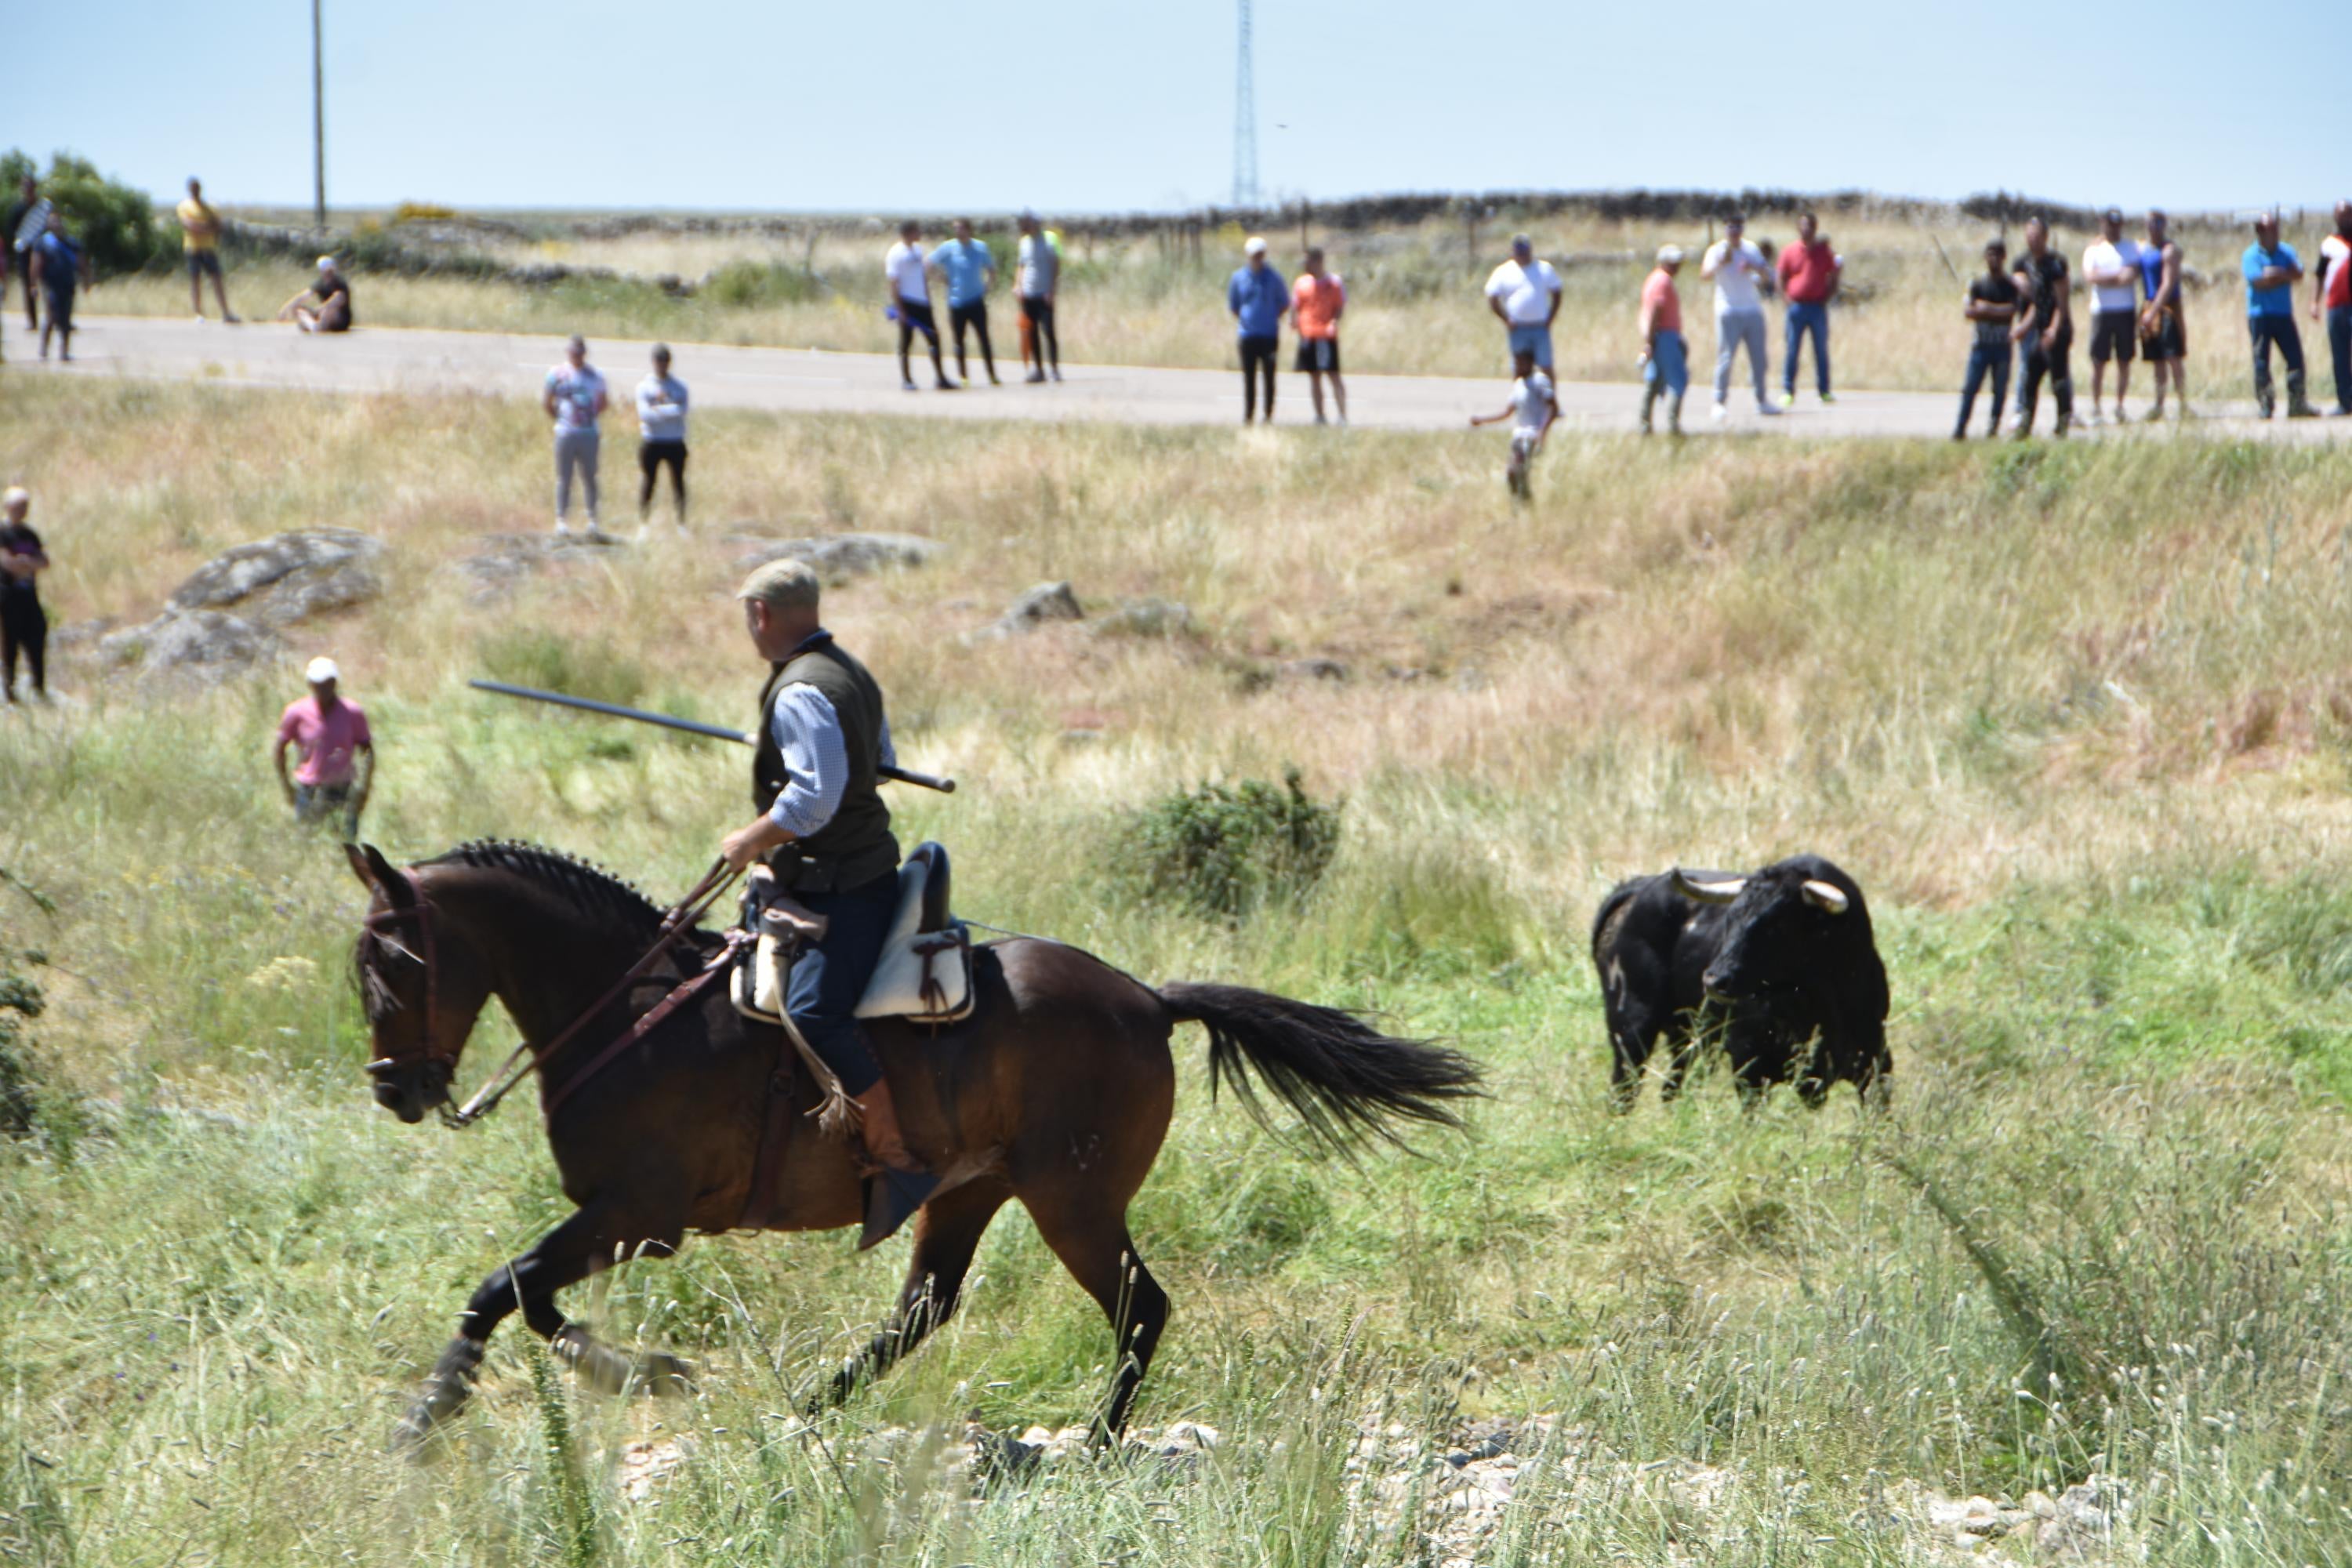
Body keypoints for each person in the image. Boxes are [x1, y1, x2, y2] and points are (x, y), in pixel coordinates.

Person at [718, 557, 933, 1248]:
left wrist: (750, 840)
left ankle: (895, 1156)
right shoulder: (845, 670)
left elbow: (813, 800)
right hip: (840, 870)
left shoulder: (798, 691)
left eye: (748, 617)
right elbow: (881, 753)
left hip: (844, 883)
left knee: (815, 1010)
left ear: (761, 614)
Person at [274, 655, 374, 838]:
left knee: (345, 844)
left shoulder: (352, 712)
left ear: (335, 683)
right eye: (318, 683)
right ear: (310, 684)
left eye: (328, 683)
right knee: (308, 842)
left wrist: (364, 789)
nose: (323, 688)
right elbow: (279, 748)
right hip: (309, 790)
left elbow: (367, 751)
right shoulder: (296, 712)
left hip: (342, 788)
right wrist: (287, 786)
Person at [1700, 214, 1780, 421]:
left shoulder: (1750, 249)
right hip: (1728, 309)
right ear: (1725, 230)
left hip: (1752, 309)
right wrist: (1720, 263)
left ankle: (1761, 400)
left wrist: (1754, 267)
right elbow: (1705, 275)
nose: (1734, 232)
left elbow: (1768, 276)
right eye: (1730, 228)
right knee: (1726, 358)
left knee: (1759, 358)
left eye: (1738, 227)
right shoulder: (1717, 250)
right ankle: (1719, 402)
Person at [2243, 212, 2318, 420]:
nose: (2275, 233)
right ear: (2260, 232)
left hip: (2284, 314)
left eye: (2276, 229)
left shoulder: (2287, 251)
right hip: (2260, 316)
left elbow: (2299, 274)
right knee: (2261, 361)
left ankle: (2297, 404)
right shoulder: (2250, 255)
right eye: (2270, 229)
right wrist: (2284, 276)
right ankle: (2266, 405)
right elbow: (2258, 281)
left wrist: (2276, 274)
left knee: (2295, 358)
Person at [2009, 217, 2074, 438]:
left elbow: (2061, 302)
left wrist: (2054, 330)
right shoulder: (2026, 263)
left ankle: (2063, 424)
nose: (2032, 241)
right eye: (2029, 237)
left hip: (2058, 328)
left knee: (2059, 379)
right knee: (2031, 377)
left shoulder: (2055, 264)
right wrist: (2023, 327)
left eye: (2036, 237)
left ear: (2045, 238)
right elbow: (2036, 304)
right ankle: (2025, 424)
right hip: (2040, 328)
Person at [2081, 209, 2143, 425]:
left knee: (2124, 360)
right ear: (2102, 223)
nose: (2113, 228)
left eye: (2117, 224)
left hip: (2125, 310)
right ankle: (2096, 407)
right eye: (2110, 224)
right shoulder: (2094, 249)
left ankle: (2119, 405)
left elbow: (2132, 275)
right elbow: (2091, 276)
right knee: (2098, 361)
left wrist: (2106, 278)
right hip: (2101, 311)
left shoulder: (2131, 247)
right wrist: (2117, 275)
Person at [543, 334, 608, 535]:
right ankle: (561, 519)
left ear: (584, 353)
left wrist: (589, 416)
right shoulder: (557, 374)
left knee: (589, 476)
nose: (576, 356)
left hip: (588, 433)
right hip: (565, 432)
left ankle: (592, 520)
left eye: (580, 352)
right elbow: (547, 401)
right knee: (564, 477)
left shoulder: (595, 375)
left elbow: (603, 402)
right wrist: (560, 418)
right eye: (573, 352)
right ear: (568, 352)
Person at [1954, 238, 2019, 440]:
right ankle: (1961, 427)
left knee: (1999, 390)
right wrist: (1987, 311)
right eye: (1990, 254)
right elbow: (1968, 311)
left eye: (1997, 254)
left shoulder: (2010, 286)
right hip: (1980, 346)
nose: (1994, 258)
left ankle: (1993, 427)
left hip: (2002, 346)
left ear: (2004, 258)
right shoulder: (1977, 284)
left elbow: (2012, 311)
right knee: (1970, 388)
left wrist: (1988, 309)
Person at [1470, 348, 1555, 498]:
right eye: (1516, 364)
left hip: (1532, 434)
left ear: (1530, 364)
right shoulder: (1518, 385)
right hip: (1519, 435)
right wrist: (1482, 420)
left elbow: (1553, 408)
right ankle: (1521, 503)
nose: (1517, 367)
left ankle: (1524, 503)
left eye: (1521, 364)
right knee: (1512, 473)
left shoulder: (1539, 381)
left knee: (1519, 471)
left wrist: (1542, 433)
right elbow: (1507, 412)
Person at [1776, 212, 1841, 405]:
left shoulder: (1824, 252)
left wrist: (1827, 297)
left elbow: (1834, 276)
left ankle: (1824, 390)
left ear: (1815, 228)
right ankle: (1788, 390)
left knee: (1821, 350)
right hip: (1796, 307)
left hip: (1817, 308)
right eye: (1803, 226)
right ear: (1798, 228)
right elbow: (1780, 276)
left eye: (1810, 226)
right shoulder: (1789, 251)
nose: (1806, 230)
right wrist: (1785, 299)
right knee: (1792, 349)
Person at [885, 220, 953, 392]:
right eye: (917, 231)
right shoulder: (895, 253)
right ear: (909, 232)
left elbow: (923, 275)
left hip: (922, 302)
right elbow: (893, 282)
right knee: (906, 342)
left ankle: (940, 378)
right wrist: (900, 309)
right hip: (907, 302)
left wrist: (930, 296)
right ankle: (907, 379)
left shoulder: (918, 250)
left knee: (934, 338)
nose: (920, 233)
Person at [930, 218, 999, 387]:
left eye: (961, 228)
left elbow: (991, 269)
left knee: (984, 338)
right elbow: (928, 264)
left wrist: (987, 286)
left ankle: (992, 375)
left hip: (976, 301)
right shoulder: (948, 248)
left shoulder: (980, 248)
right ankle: (964, 377)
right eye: (955, 228)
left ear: (969, 230)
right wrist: (941, 279)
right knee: (959, 341)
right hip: (956, 302)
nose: (958, 232)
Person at [1228, 235, 1288, 424]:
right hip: (1247, 336)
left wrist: (1270, 318)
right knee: (1249, 377)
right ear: (1248, 255)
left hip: (1269, 335)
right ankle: (1249, 416)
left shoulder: (1274, 277)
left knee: (1269, 377)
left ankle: (1268, 415)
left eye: (1261, 255)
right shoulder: (1239, 278)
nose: (1258, 258)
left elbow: (1284, 303)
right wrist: (1248, 321)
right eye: (1254, 255)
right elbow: (1235, 306)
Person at [2137, 210, 2190, 420]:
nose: (2154, 227)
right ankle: (2158, 405)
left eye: (2158, 223)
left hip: (2166, 308)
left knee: (2172, 357)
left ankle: (2183, 404)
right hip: (2150, 306)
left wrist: (2153, 312)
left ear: (2164, 225)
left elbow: (2168, 284)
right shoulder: (2143, 249)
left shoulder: (2170, 251)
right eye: (2151, 223)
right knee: (2157, 360)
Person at [1483, 234, 1562, 373]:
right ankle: (1521, 395)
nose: (1522, 255)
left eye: (1525, 251)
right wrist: (1506, 319)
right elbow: (1492, 296)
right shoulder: (1504, 271)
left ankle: (1549, 395)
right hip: (1518, 328)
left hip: (1540, 326)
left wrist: (1551, 317)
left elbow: (1556, 291)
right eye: (1519, 252)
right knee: (1520, 369)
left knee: (1546, 367)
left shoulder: (1544, 268)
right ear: (1513, 251)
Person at [0, 488, 49, 705]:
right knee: (10, 641)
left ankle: (39, 687)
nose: (22, 510)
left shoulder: (30, 534)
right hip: (7, 595)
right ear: (7, 506)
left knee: (37, 634)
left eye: (25, 505)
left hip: (29, 595)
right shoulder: (2, 532)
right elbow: (6, 562)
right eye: (19, 505)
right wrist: (27, 565)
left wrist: (27, 564)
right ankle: (9, 689)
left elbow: (44, 561)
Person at [1636, 245, 1690, 437]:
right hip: (1665, 335)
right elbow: (1656, 310)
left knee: (1655, 380)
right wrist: (1651, 341)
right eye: (1673, 262)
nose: (1677, 266)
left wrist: (1649, 339)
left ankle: (1645, 423)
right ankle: (1673, 424)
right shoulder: (1663, 281)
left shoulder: (1652, 279)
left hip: (1659, 335)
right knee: (1678, 379)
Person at [635, 343, 689, 533]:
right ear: (653, 362)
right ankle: (644, 523)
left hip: (674, 440)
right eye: (658, 361)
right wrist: (668, 411)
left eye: (665, 361)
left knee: (679, 483)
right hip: (653, 440)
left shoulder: (679, 387)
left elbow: (681, 410)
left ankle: (681, 523)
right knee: (649, 481)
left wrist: (658, 410)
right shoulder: (644, 387)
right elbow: (645, 414)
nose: (662, 365)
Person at [1291, 245, 1347, 425]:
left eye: (1308, 261)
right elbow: (1296, 306)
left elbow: (1339, 307)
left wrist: (1334, 322)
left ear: (1318, 261)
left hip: (1326, 336)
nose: (1305, 265)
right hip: (1309, 335)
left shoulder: (1334, 283)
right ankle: (1320, 416)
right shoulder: (1301, 283)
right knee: (1314, 377)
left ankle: (1342, 416)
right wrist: (1294, 321)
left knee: (1333, 375)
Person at [30, 212, 92, 364]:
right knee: (51, 317)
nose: (57, 225)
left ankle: (64, 351)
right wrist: (33, 284)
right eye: (53, 222)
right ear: (49, 225)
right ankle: (44, 348)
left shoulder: (72, 243)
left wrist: (86, 281)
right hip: (50, 285)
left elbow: (81, 263)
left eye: (59, 222)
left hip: (68, 285)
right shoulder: (43, 243)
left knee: (66, 319)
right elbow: (36, 265)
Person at [177, 176, 238, 324]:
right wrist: (206, 228)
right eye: (193, 188)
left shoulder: (211, 207)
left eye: (197, 187)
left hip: (209, 247)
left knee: (216, 279)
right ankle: (198, 313)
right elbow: (189, 225)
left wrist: (203, 228)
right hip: (193, 247)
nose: (195, 190)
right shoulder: (184, 206)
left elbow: (218, 226)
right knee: (195, 280)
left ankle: (226, 312)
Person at [1015, 211, 1061, 383]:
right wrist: (1018, 286)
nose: (1026, 227)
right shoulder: (1024, 243)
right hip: (1028, 294)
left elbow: (1055, 265)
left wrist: (1052, 289)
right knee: (1031, 332)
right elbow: (1021, 266)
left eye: (1028, 224)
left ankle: (1054, 369)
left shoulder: (1048, 241)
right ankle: (1038, 370)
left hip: (1044, 294)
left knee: (1049, 332)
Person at [2315, 201, 2351, 416]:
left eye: (2348, 214)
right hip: (2335, 306)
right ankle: (2345, 402)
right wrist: (2313, 302)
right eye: (2341, 214)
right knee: (2340, 355)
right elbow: (2319, 275)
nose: (2345, 218)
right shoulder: (2329, 244)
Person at [6, 175, 47, 333]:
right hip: (25, 252)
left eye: (30, 186)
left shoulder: (42, 208)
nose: (28, 190)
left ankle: (57, 318)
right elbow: (11, 231)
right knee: (28, 286)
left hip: (43, 251)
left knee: (51, 283)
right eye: (25, 187)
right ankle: (33, 321)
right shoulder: (17, 210)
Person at [277, 256, 352, 333]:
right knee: (298, 309)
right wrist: (285, 309)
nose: (328, 274)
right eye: (326, 271)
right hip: (322, 314)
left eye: (330, 271)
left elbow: (339, 299)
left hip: (340, 318)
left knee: (328, 309)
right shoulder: (320, 283)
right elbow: (304, 296)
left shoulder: (339, 283)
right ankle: (313, 325)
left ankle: (316, 326)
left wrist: (321, 308)